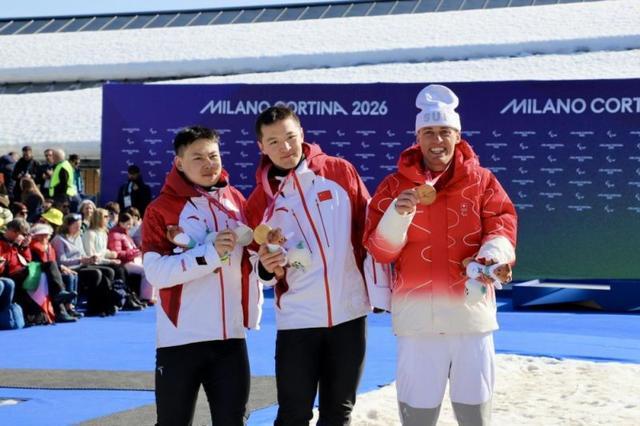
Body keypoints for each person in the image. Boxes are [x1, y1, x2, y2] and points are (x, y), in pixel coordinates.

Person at [363, 84, 517, 426]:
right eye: (429, 132)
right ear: (417, 138)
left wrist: (491, 256)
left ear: (457, 137)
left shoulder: (482, 181)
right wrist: (397, 215)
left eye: (445, 132)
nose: (437, 140)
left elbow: (502, 223)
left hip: (471, 319)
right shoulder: (393, 186)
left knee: (475, 416)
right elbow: (379, 251)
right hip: (417, 323)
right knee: (418, 415)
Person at [245, 105, 371, 425]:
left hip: (349, 314)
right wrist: (266, 267)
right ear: (261, 146)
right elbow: (255, 265)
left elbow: (368, 229)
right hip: (297, 321)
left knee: (338, 413)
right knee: (293, 415)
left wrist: (379, 289)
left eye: (290, 137)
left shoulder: (339, 172)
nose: (285, 147)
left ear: (302, 133)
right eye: (274, 142)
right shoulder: (259, 202)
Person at [142, 125, 262, 425]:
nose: (209, 164)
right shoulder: (161, 209)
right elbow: (156, 273)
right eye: (198, 158)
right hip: (180, 340)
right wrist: (210, 254)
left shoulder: (236, 200)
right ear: (179, 163)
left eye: (213, 155)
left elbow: (252, 258)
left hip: (231, 338)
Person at [51, 214, 119, 317]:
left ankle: (105, 304)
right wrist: (80, 260)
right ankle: (93, 306)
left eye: (79, 226)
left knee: (109, 271)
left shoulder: (78, 237)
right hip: (69, 268)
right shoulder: (59, 239)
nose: (78, 229)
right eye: (75, 226)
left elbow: (82, 254)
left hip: (81, 265)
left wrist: (90, 259)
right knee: (95, 273)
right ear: (67, 226)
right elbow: (61, 261)